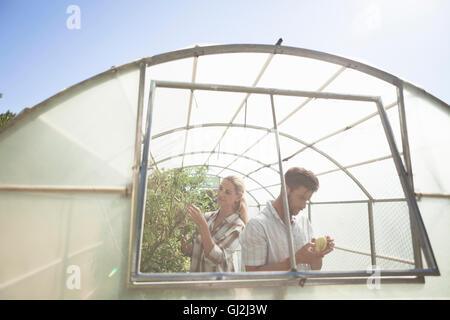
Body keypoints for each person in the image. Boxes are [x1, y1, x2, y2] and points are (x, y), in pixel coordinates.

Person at [240, 167, 334, 272]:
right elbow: (253, 274)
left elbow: (316, 268)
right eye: (301, 198)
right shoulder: (257, 226)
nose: (303, 206)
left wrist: (318, 255)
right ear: (286, 189)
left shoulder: (303, 221)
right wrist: (296, 259)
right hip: (277, 289)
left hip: (304, 287)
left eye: (307, 200)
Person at [181, 176, 248, 272]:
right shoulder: (207, 217)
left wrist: (202, 225)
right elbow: (188, 251)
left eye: (227, 192)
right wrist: (183, 228)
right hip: (196, 283)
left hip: (217, 285)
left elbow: (216, 258)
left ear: (238, 197)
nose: (221, 194)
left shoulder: (238, 227)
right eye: (220, 188)